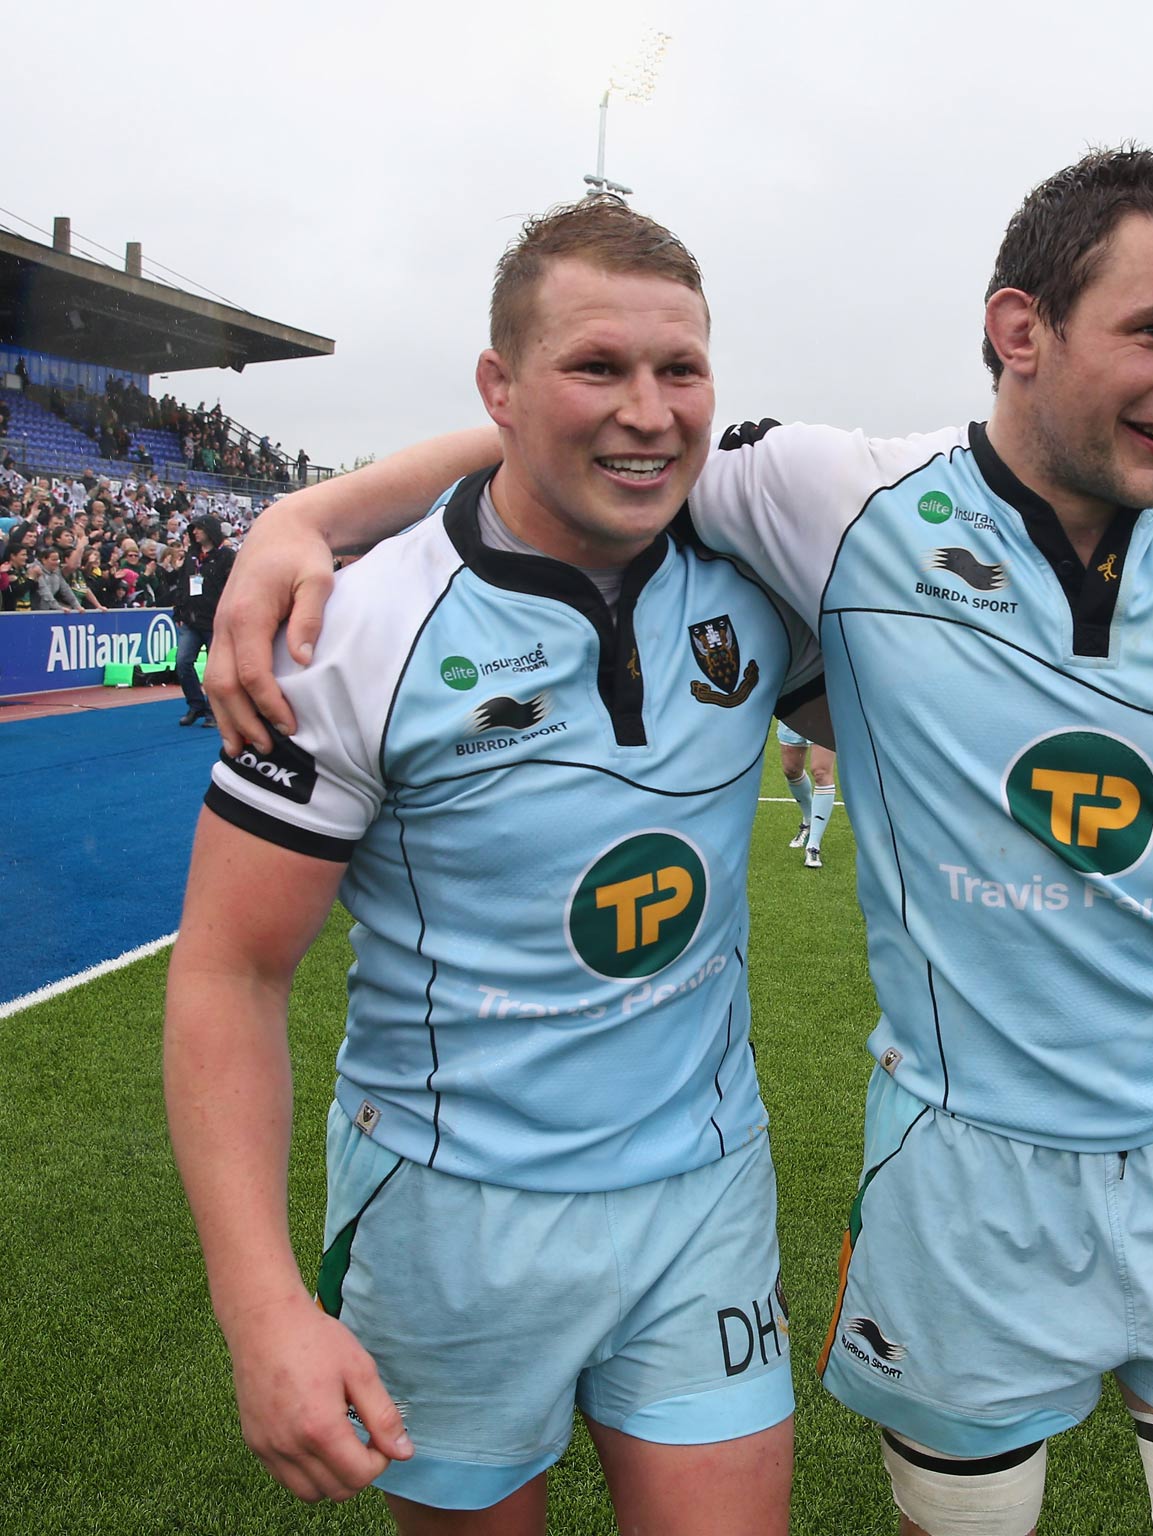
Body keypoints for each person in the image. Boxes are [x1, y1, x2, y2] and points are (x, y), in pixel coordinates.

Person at [206, 147, 1153, 1536]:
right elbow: (598, 439)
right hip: (936, 1176)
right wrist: (307, 514)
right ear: (1021, 329)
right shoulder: (839, 504)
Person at [164, 199, 815, 1533]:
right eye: (598, 367)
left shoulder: (749, 552)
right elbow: (227, 973)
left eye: (678, 369)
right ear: (499, 390)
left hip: (705, 1187)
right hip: (453, 1217)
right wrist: (261, 1307)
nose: (650, 410)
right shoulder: (359, 630)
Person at [172, 514, 234, 726]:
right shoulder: (192, 555)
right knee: (182, 663)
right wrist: (178, 610)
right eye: (193, 529)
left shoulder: (226, 555)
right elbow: (182, 583)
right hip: (191, 620)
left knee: (215, 670)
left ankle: (214, 711)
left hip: (216, 621)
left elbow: (233, 585)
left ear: (210, 530)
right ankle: (196, 705)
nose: (195, 532)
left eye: (199, 528)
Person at [774, 720, 836, 868]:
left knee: (820, 772)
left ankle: (813, 846)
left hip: (825, 707)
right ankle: (808, 821)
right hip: (794, 705)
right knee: (791, 770)